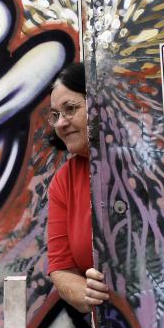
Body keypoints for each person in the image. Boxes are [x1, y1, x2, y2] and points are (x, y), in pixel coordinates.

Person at [46, 63, 111, 314]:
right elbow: (61, 269)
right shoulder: (65, 181)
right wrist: (86, 293)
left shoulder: (143, 163)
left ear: (99, 105)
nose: (61, 123)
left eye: (70, 109)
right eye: (55, 115)